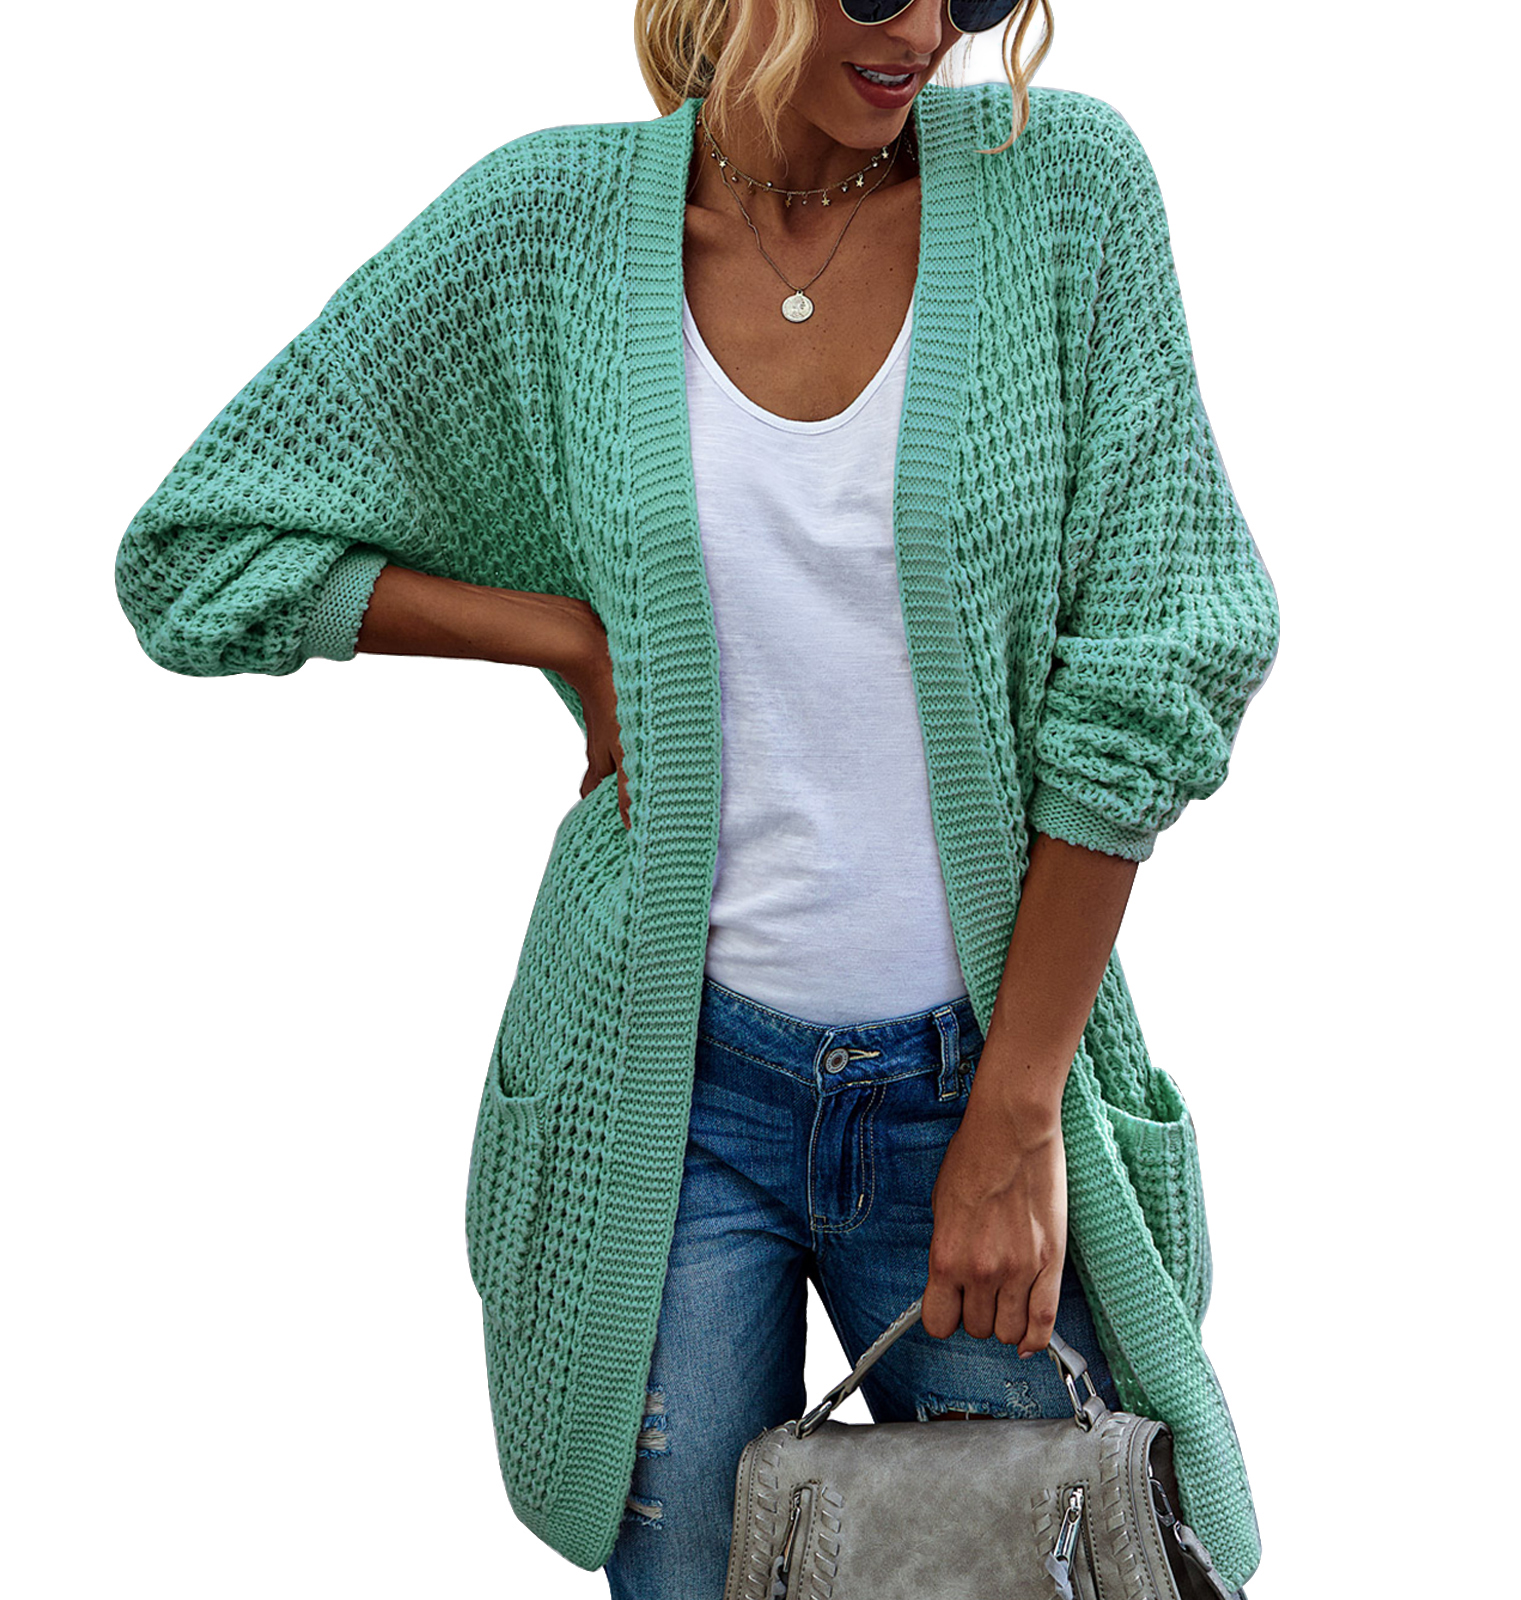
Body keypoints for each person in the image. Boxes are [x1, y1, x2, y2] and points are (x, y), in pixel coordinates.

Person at [113, 1, 1280, 1596]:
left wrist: (1017, 1113)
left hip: (977, 1083)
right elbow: (198, 554)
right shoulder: (547, 233)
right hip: (668, 1106)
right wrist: (558, 631)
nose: (926, 31)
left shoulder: (1059, 190)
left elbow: (1164, 652)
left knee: (1046, 1562)